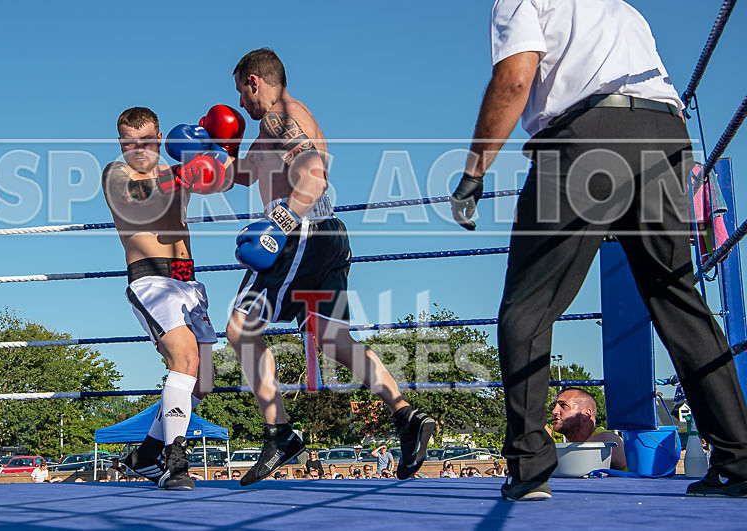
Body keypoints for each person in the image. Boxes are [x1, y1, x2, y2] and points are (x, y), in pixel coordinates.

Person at [451, 0, 747, 500]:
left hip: (585, 138)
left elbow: (515, 79)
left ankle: (529, 465)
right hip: (665, 137)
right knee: (677, 300)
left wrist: (473, 173)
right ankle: (739, 457)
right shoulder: (620, 7)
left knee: (528, 305)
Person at [223, 48, 435, 486]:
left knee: (241, 328)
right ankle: (406, 415)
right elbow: (241, 175)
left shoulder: (279, 115)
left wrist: (278, 226)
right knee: (334, 340)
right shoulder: (277, 128)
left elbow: (314, 175)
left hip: (301, 235)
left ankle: (279, 433)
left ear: (253, 81)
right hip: (329, 236)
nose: (241, 104)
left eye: (241, 93)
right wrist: (213, 154)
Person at [102, 107, 230, 490]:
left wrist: (220, 148)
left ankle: (144, 455)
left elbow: (222, 182)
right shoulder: (116, 173)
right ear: (121, 143)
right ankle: (175, 459)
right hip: (151, 279)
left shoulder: (177, 171)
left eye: (146, 141)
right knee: (184, 356)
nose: (138, 149)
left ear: (159, 139)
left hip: (187, 278)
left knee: (202, 382)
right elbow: (137, 201)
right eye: (129, 142)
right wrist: (184, 174)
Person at [551, 388, 627, 470]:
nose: (554, 411)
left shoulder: (606, 439)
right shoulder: (575, 445)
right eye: (554, 406)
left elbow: (569, 467)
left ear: (586, 415)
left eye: (563, 405)